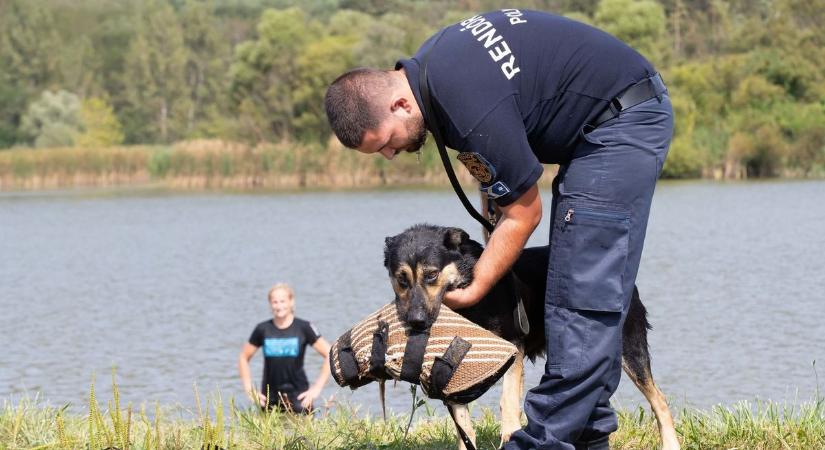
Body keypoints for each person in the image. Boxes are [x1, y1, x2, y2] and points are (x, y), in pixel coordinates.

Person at [324, 9, 673, 450]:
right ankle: (586, 437)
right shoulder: (434, 72)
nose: (392, 155)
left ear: (399, 104)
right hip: (601, 127)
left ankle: (543, 442)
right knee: (580, 290)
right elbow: (499, 185)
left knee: (581, 297)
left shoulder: (459, 100)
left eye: (386, 142)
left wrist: (475, 290)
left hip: (623, 121)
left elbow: (525, 213)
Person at [238, 283, 331, 414]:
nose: (279, 305)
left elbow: (330, 354)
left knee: (304, 433)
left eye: (282, 301)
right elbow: (243, 357)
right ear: (270, 304)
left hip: (299, 398)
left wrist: (317, 389)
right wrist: (249, 390)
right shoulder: (262, 329)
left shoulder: (304, 327)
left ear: (291, 302)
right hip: (269, 398)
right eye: (275, 302)